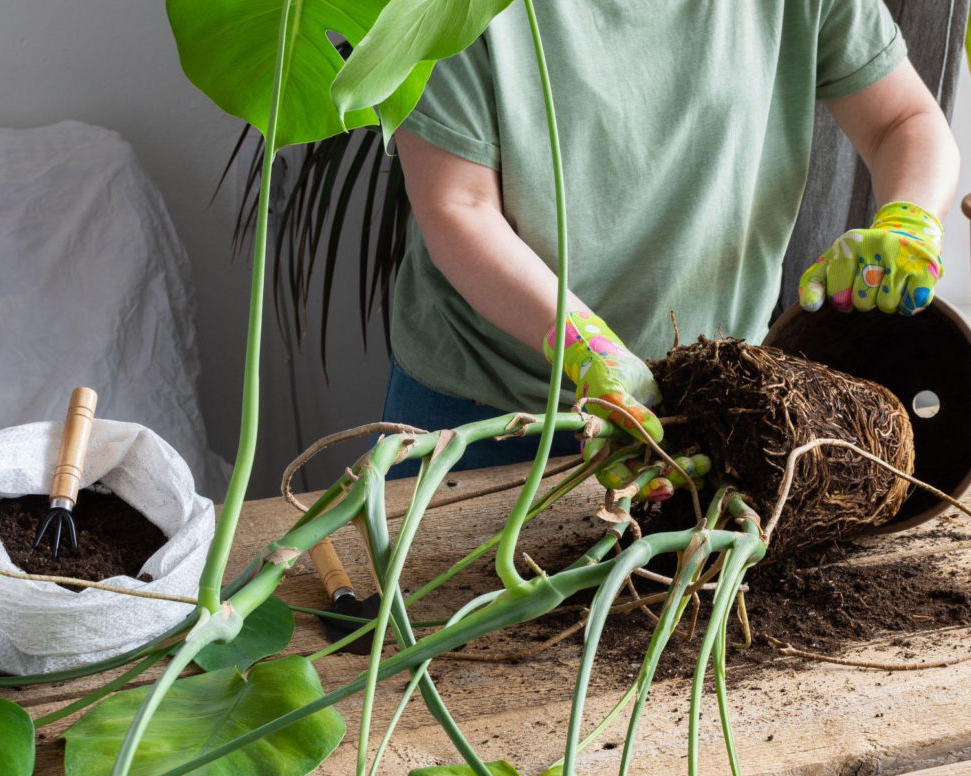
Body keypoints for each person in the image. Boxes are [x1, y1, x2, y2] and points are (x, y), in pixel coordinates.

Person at [381, 1, 959, 481]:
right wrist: (587, 349)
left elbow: (902, 120)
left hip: (713, 405)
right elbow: (459, 205)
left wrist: (908, 220)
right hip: (492, 407)